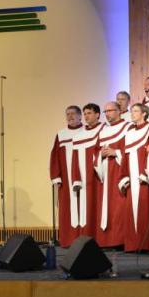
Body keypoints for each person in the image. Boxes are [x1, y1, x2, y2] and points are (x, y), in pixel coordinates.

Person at [118, 103, 149, 252]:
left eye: (135, 111)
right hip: (132, 178)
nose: (132, 114)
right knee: (131, 211)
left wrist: (147, 174)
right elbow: (124, 156)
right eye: (132, 111)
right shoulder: (129, 132)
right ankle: (133, 245)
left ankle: (146, 245)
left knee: (145, 209)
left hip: (143, 177)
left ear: (144, 113)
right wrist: (124, 176)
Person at [93, 101, 130, 248]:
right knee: (107, 207)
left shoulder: (128, 127)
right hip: (106, 172)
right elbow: (95, 153)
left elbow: (131, 150)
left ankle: (121, 240)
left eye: (110, 110)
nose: (107, 114)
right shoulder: (103, 132)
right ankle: (107, 240)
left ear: (119, 111)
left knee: (120, 207)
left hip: (121, 171)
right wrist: (100, 155)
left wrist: (116, 153)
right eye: (105, 111)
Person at [49, 105, 84, 247]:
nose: (70, 117)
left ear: (80, 116)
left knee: (83, 207)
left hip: (83, 178)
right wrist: (56, 177)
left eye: (73, 114)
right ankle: (68, 240)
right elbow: (55, 156)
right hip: (66, 180)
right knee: (66, 210)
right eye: (67, 114)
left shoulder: (86, 132)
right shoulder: (61, 134)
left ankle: (83, 240)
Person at [71, 103, 104, 238]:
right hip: (85, 178)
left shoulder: (104, 130)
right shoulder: (79, 135)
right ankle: (87, 236)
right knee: (86, 207)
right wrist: (76, 178)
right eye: (84, 114)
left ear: (97, 114)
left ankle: (101, 237)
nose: (86, 116)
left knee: (99, 206)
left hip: (100, 175)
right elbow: (74, 160)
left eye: (89, 113)